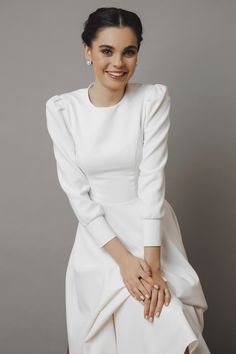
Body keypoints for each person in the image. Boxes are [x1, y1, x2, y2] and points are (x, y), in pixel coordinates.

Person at [46, 7, 211, 354]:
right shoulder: (63, 109)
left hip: (150, 233)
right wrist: (122, 261)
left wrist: (151, 265)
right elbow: (77, 194)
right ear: (87, 51)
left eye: (129, 51)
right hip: (100, 240)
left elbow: (152, 180)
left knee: (165, 319)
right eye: (106, 50)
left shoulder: (152, 99)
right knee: (98, 334)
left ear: (137, 52)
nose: (118, 62)